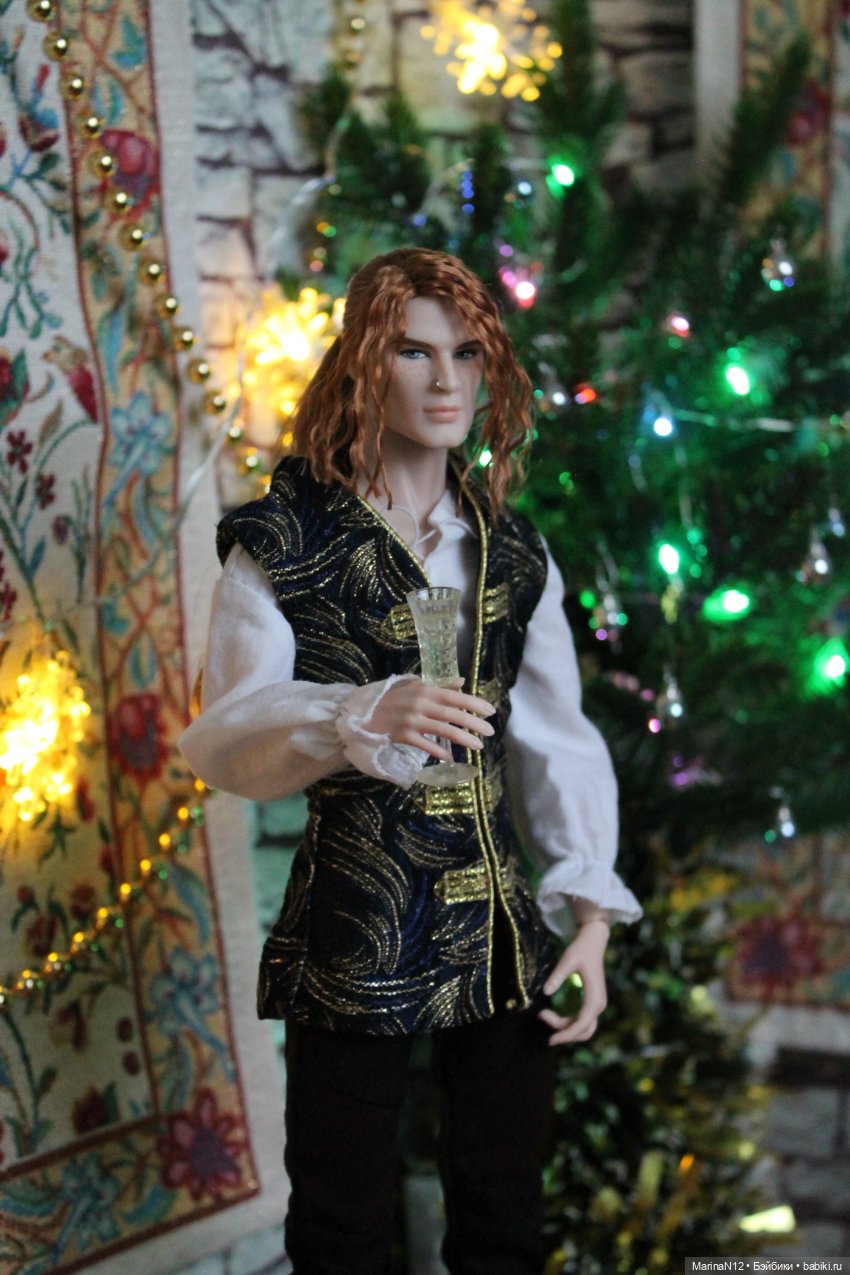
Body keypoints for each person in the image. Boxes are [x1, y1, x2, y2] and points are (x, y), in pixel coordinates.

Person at [179, 247, 641, 1275]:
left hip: (499, 929)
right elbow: (225, 737)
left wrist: (591, 913)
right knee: (341, 1219)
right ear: (363, 364)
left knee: (504, 1207)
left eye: (466, 354)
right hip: (359, 922)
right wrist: (356, 709)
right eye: (413, 352)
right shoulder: (285, 541)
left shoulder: (511, 549)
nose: (445, 382)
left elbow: (557, 735)